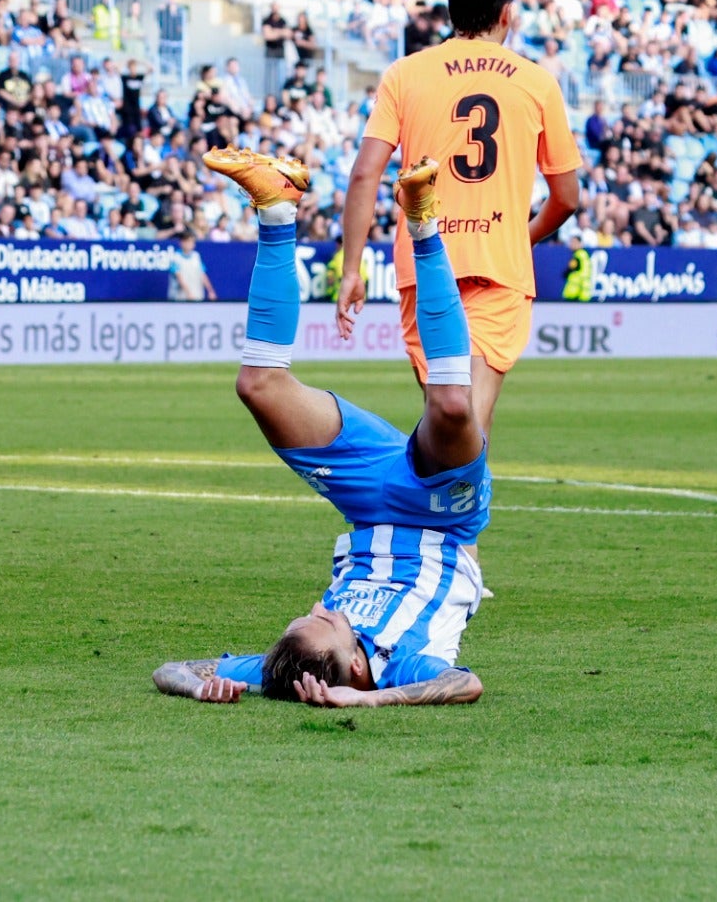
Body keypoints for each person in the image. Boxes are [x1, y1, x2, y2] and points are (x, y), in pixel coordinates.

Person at [153, 148, 487, 708]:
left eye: (308, 612)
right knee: (453, 405)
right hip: (442, 517)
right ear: (356, 665)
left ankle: (278, 208)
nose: (322, 606)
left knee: (257, 387)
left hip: (365, 503)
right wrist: (368, 702)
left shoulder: (291, 662)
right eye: (324, 620)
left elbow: (171, 668)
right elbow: (465, 684)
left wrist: (201, 684)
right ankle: (423, 223)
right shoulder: (398, 662)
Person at [336, 0, 581, 592]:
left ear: (450, 12)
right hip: (500, 271)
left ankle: (442, 546)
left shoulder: (407, 73)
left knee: (447, 408)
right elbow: (567, 197)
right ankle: (456, 549)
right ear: (508, 15)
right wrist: (519, 236)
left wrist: (351, 269)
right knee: (471, 412)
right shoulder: (535, 80)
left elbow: (365, 174)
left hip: (425, 265)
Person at [168, 229, 216, 301]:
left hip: (197, 296)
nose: (191, 244)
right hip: (180, 298)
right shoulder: (175, 258)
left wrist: (210, 291)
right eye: (188, 241)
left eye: (192, 242)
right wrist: (189, 294)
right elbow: (179, 278)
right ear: (181, 242)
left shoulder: (196, 256)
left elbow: (202, 274)